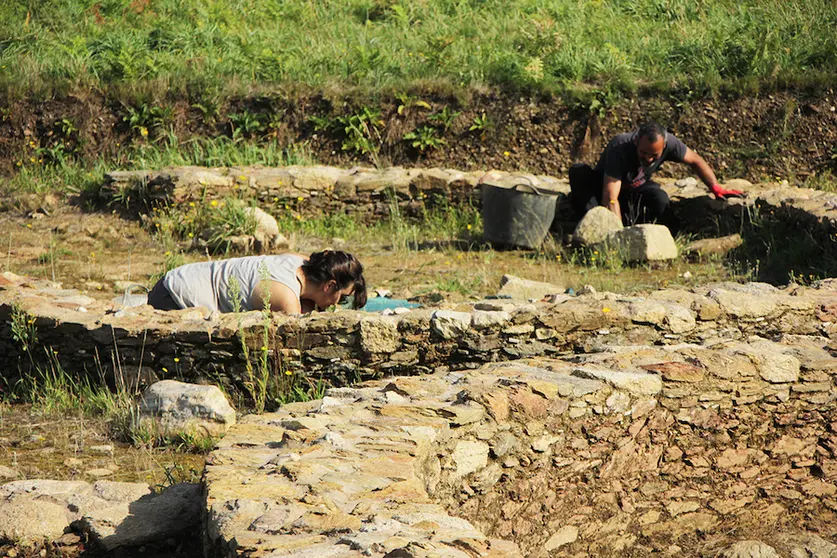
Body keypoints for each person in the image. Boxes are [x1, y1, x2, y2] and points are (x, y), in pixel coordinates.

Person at [569, 121, 743, 227]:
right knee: (578, 172)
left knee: (660, 198)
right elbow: (610, 196)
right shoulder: (620, 146)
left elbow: (696, 160)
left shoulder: (671, 143)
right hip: (603, 190)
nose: (649, 159)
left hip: (634, 189)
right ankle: (591, 223)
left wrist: (715, 187)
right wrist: (616, 235)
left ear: (664, 147)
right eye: (644, 153)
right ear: (637, 141)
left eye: (655, 156)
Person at [147, 250, 367, 314]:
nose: (338, 304)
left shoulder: (300, 261)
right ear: (329, 285)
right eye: (342, 297)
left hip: (176, 276)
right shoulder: (284, 297)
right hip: (175, 297)